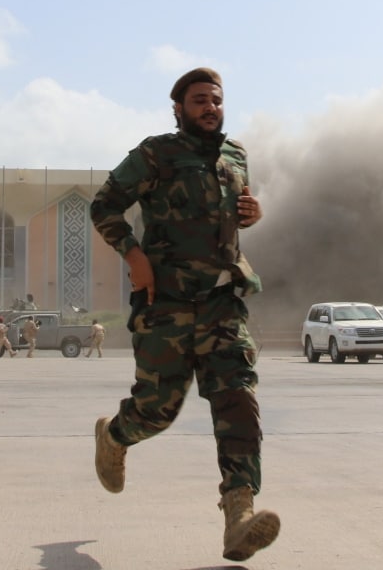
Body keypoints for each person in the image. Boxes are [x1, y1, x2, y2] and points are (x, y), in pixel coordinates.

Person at [89, 67, 279, 562]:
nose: (210, 107)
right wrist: (134, 257)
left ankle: (239, 514)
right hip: (167, 306)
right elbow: (104, 205)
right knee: (158, 410)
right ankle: (114, 435)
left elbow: (230, 214)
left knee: (238, 400)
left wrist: (250, 213)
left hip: (222, 302)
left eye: (215, 100)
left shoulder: (235, 155)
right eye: (199, 101)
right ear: (178, 108)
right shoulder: (156, 153)